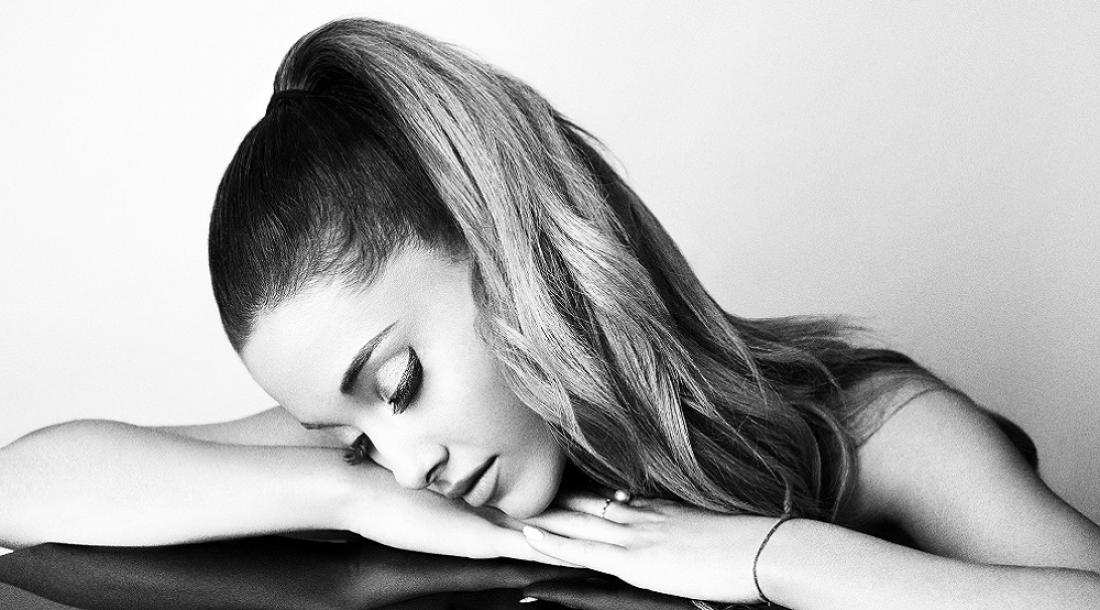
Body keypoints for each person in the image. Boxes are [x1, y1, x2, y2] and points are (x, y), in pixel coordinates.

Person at [1, 17, 1098, 609]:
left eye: (396, 385)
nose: (407, 461)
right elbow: (20, 488)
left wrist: (776, 557)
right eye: (357, 434)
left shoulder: (870, 423)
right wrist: (349, 491)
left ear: (508, 249)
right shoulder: (394, 465)